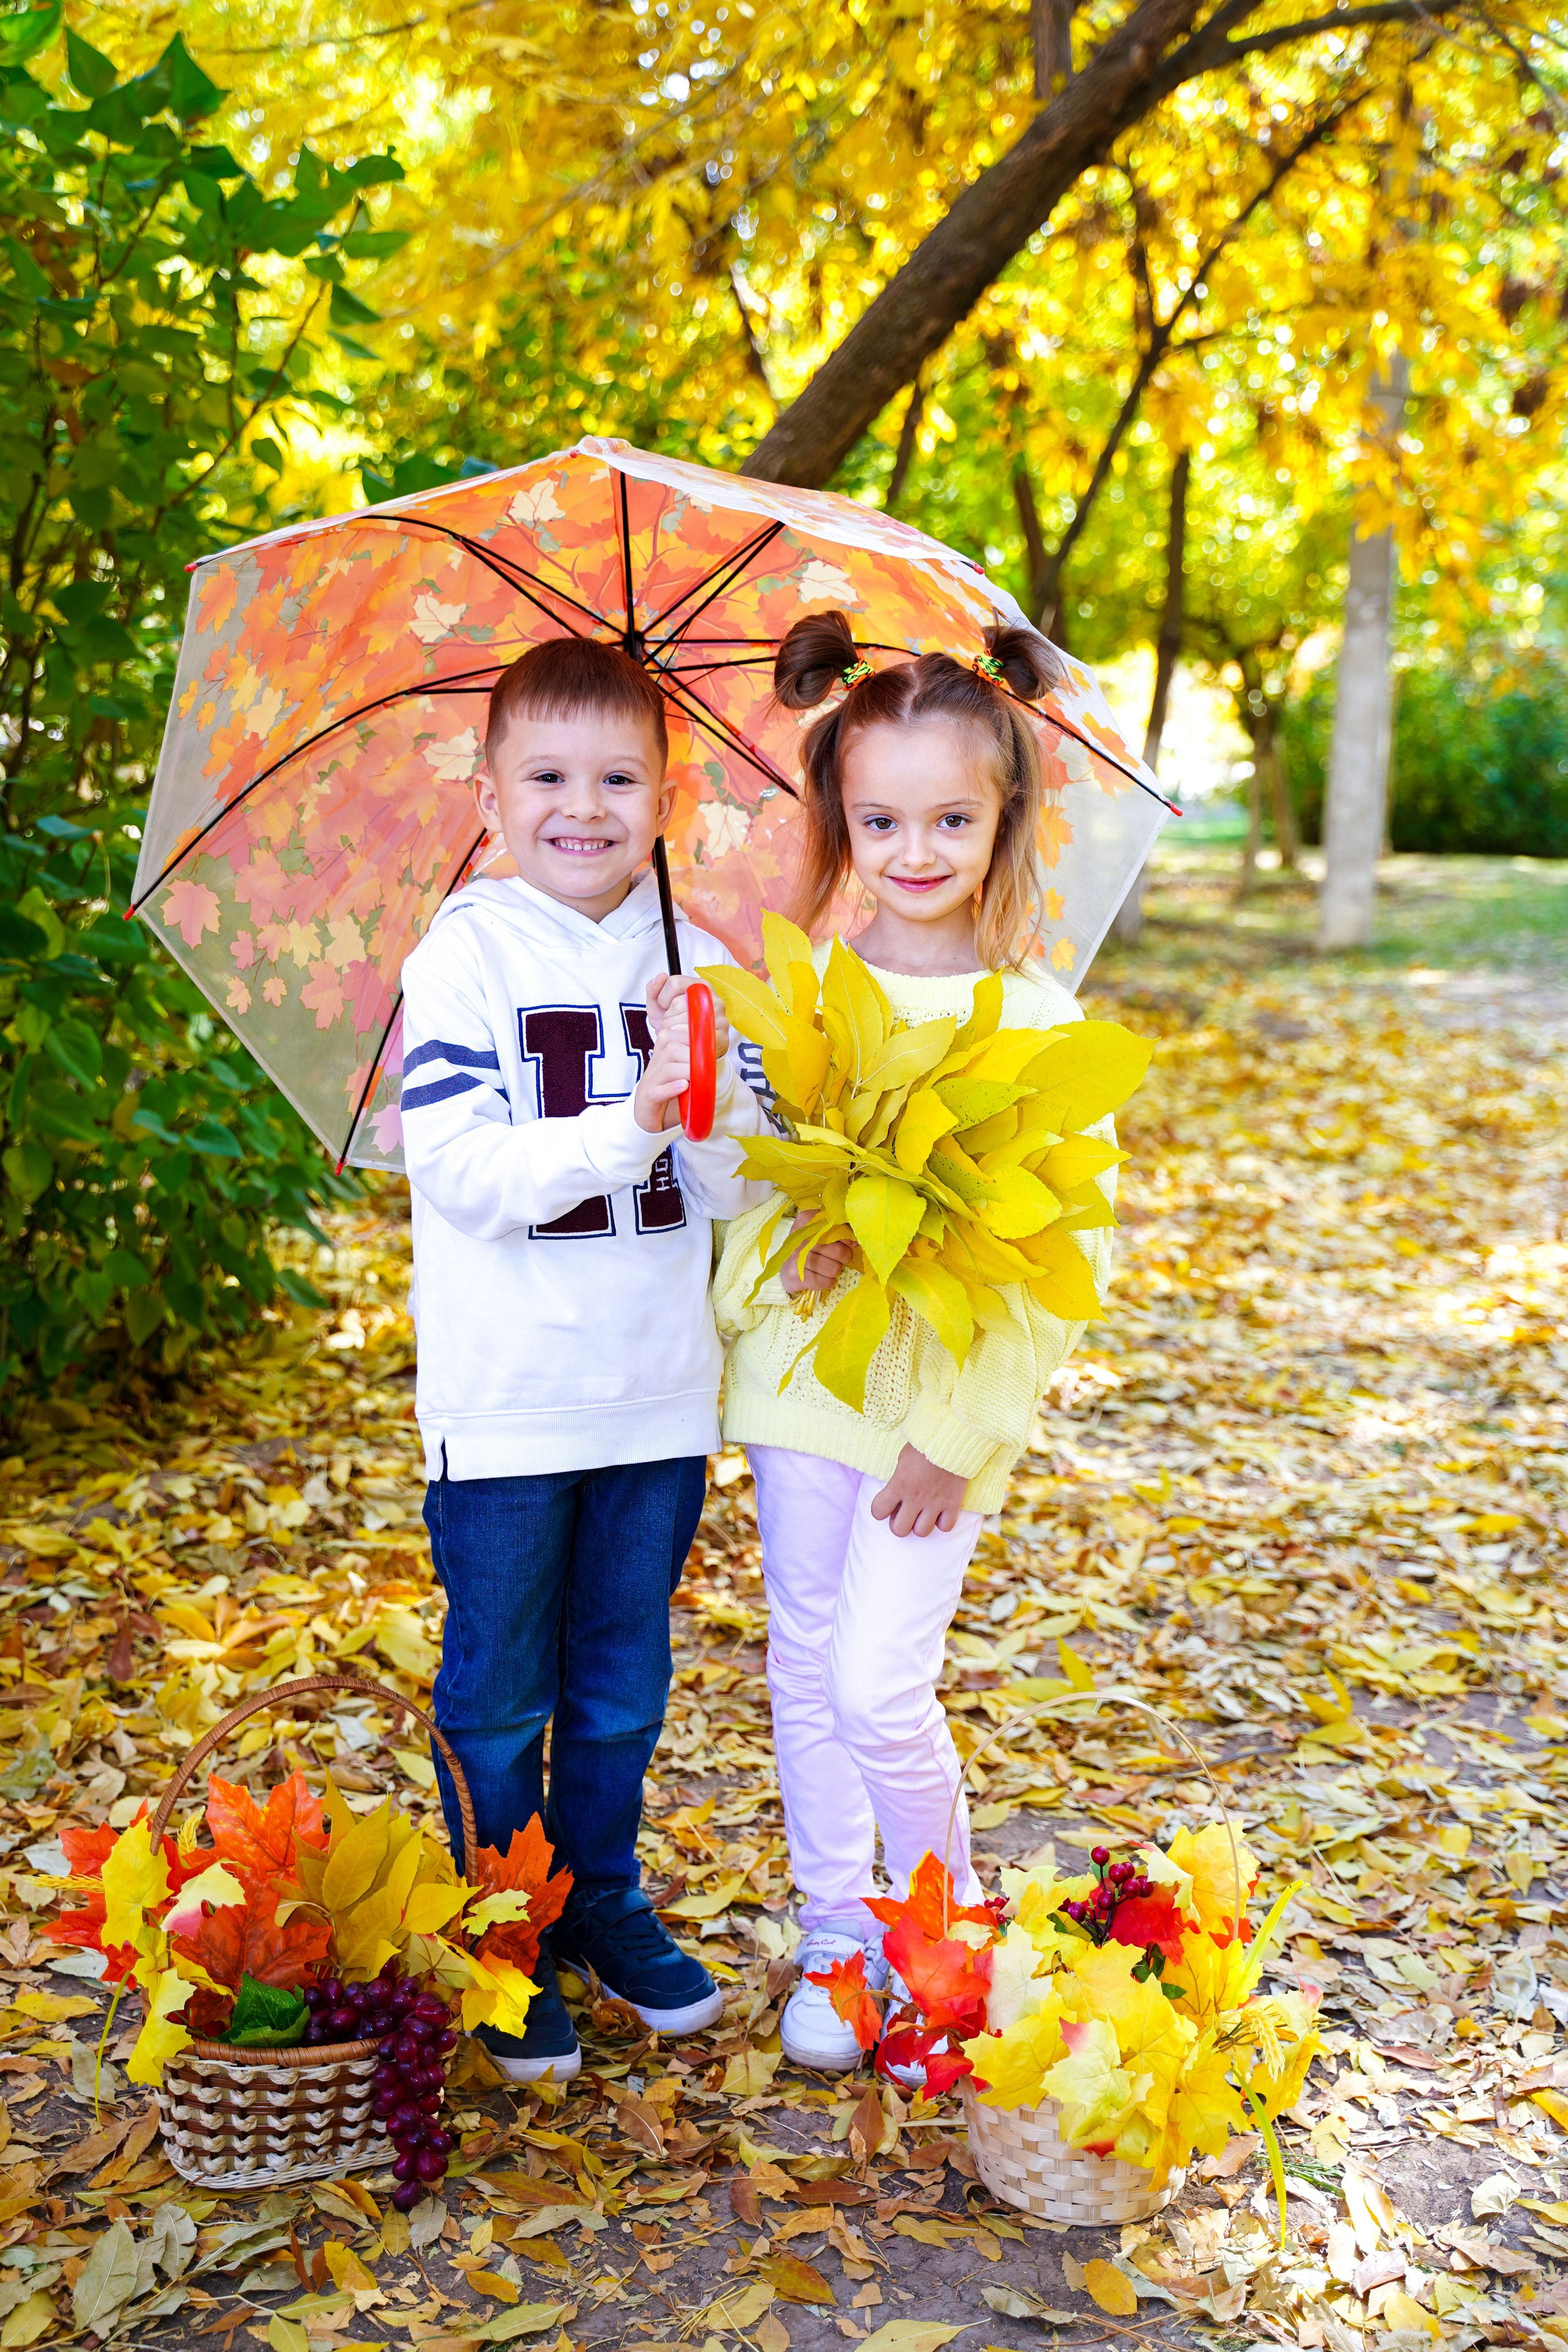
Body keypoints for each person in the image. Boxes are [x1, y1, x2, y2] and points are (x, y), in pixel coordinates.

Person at [712, 611, 1119, 2073]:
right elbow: (757, 1184)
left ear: (1003, 814)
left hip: (931, 1420)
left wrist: (960, 1439)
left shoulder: (1033, 1015)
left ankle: (939, 1935)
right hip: (797, 1386)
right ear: (838, 818)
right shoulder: (801, 998)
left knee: (881, 1677)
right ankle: (836, 1935)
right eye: (879, 817)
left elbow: (1061, 1263)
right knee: (807, 1666)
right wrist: (800, 1224)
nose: (914, 846)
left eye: (949, 815)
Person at [400, 635, 769, 2082]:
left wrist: (718, 1118)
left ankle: (599, 1896)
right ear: (490, 795)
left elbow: (731, 1185)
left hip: (655, 1391)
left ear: (665, 797)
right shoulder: (465, 953)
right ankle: (509, 1926)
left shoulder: (701, 959)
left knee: (619, 1680)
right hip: (505, 1407)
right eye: (548, 776)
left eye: (619, 777)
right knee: (499, 1687)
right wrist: (625, 1122)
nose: (584, 805)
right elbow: (467, 1172)